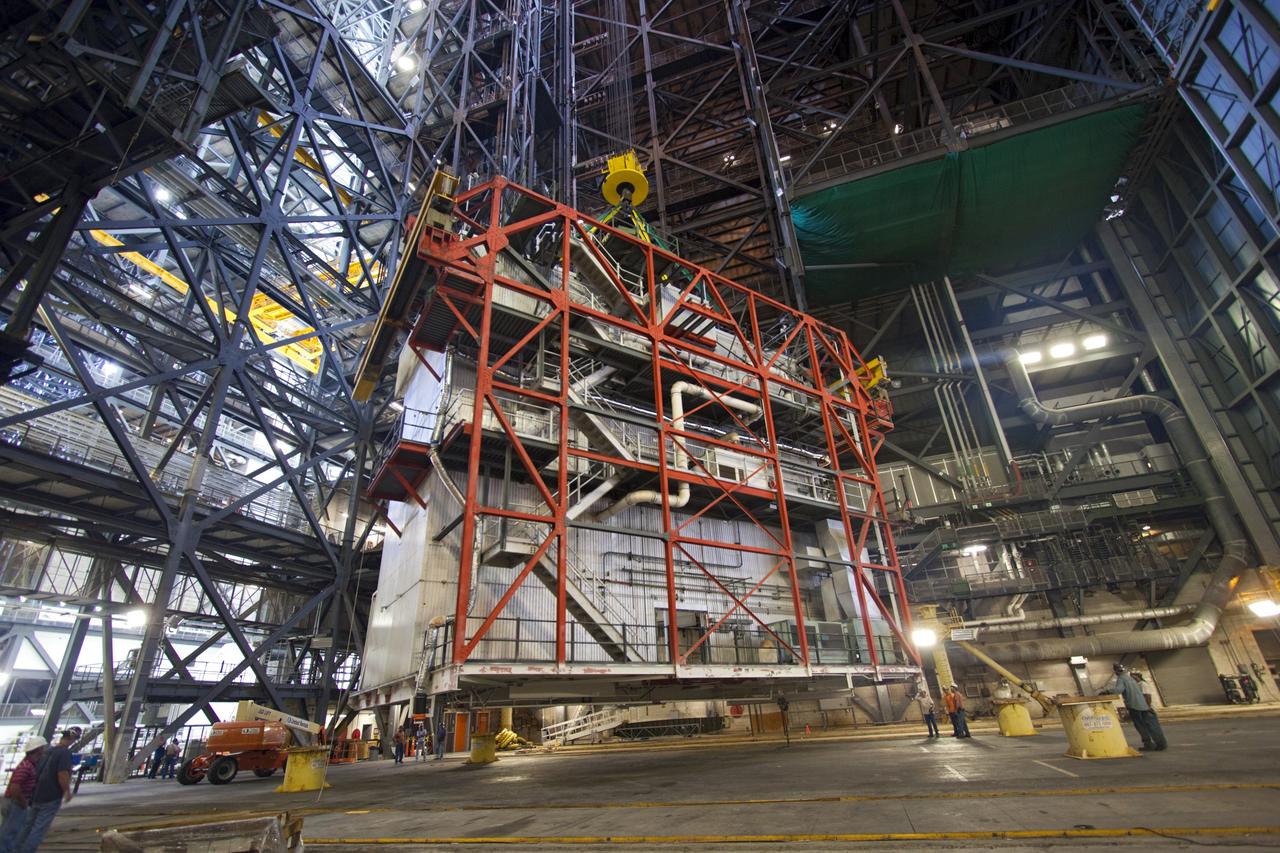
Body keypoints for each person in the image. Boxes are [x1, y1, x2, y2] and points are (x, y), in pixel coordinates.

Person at [10, 727, 77, 853]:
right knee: (39, 829)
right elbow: (62, 774)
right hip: (51, 796)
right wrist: (67, 791)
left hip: (35, 795)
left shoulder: (47, 751)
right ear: (72, 739)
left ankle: (16, 850)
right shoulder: (64, 753)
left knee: (27, 826)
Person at [1104, 662, 1166, 751]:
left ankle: (1148, 744)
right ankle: (1161, 743)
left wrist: (1107, 691)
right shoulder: (1130, 679)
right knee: (1151, 725)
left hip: (1134, 706)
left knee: (1140, 725)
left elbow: (1118, 690)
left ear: (1116, 671)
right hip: (1143, 706)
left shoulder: (1122, 679)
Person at [0, 736, 46, 852]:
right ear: (38, 749)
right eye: (43, 748)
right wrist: (23, 802)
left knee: (11, 831)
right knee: (10, 832)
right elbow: (15, 787)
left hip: (15, 801)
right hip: (16, 803)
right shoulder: (26, 766)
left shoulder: (27, 764)